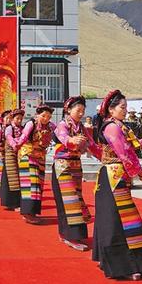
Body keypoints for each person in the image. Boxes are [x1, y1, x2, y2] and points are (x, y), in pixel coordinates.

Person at [93, 89, 142, 281]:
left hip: (117, 176)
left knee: (124, 219)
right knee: (117, 220)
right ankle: (122, 266)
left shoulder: (120, 126)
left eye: (126, 107)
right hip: (113, 176)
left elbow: (132, 146)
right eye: (122, 107)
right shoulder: (112, 128)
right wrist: (140, 171)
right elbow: (124, 153)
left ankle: (121, 261)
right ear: (111, 110)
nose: (126, 110)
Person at [51, 96, 99, 251]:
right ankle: (70, 236)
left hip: (76, 166)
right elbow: (64, 138)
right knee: (69, 201)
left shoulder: (81, 128)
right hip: (63, 166)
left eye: (83, 111)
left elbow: (92, 144)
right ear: (69, 110)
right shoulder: (62, 124)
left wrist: (104, 156)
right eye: (78, 110)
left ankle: (67, 234)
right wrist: (73, 140)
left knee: (75, 199)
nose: (81, 113)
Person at [17, 105, 56, 224]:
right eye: (43, 116)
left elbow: (59, 133)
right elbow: (24, 136)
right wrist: (16, 145)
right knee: (31, 184)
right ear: (37, 115)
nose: (46, 118)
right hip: (28, 155)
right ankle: (27, 212)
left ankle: (32, 212)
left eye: (48, 117)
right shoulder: (31, 124)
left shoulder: (50, 126)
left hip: (40, 157)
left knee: (39, 185)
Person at [1, 109, 25, 210]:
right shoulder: (9, 128)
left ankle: (19, 202)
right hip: (10, 154)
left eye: (21, 119)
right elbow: (9, 137)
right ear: (12, 119)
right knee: (13, 178)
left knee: (21, 177)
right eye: (17, 118)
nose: (19, 120)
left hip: (20, 153)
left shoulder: (23, 128)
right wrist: (15, 145)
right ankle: (12, 203)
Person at [0, 110, 11, 189]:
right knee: (0, 170)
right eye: (7, 118)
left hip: (9, 151)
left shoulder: (12, 127)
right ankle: (1, 189)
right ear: (3, 119)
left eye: (10, 118)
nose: (9, 120)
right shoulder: (0, 127)